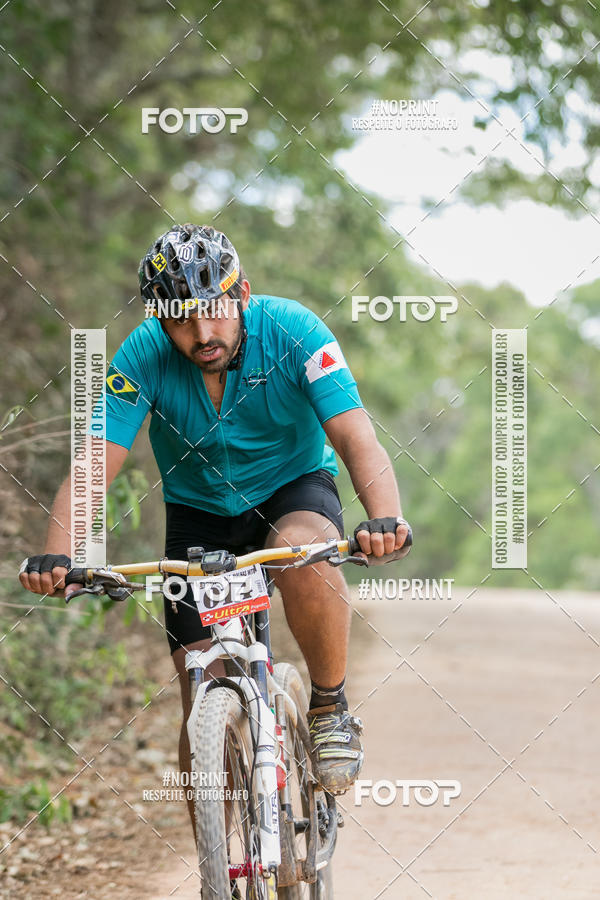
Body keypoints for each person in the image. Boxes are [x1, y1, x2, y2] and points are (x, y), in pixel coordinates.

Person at [19, 223, 410, 804]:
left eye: (214, 311)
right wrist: (60, 552)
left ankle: (329, 707)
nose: (202, 333)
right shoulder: (144, 355)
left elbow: (357, 439)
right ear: (159, 318)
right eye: (180, 319)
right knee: (200, 692)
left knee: (305, 552)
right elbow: (96, 462)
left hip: (292, 488)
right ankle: (217, 864)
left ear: (242, 294)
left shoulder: (296, 330)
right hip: (199, 512)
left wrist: (385, 518)